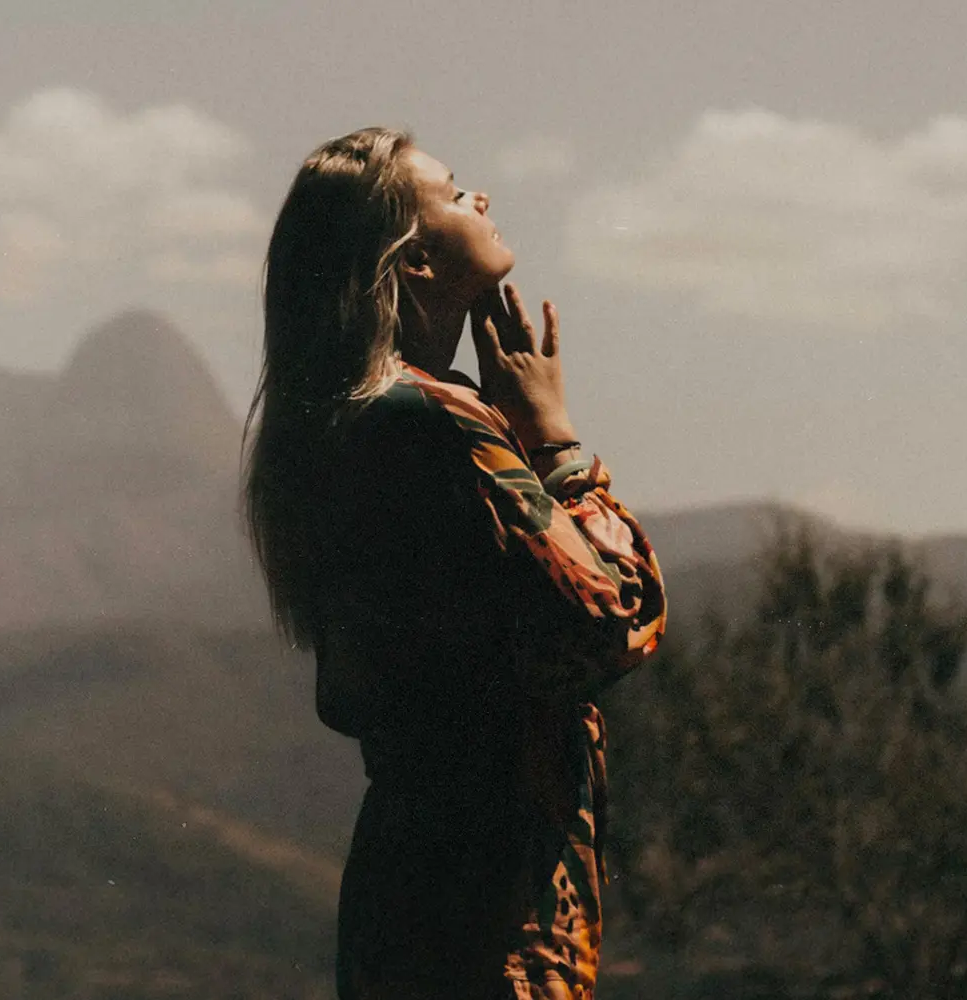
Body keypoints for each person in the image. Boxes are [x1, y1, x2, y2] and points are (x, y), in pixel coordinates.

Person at [243, 126, 667, 1000]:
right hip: (487, 916)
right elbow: (615, 620)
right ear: (415, 262)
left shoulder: (353, 425)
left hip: (414, 900)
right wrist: (556, 441)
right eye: (452, 191)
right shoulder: (433, 426)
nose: (480, 197)